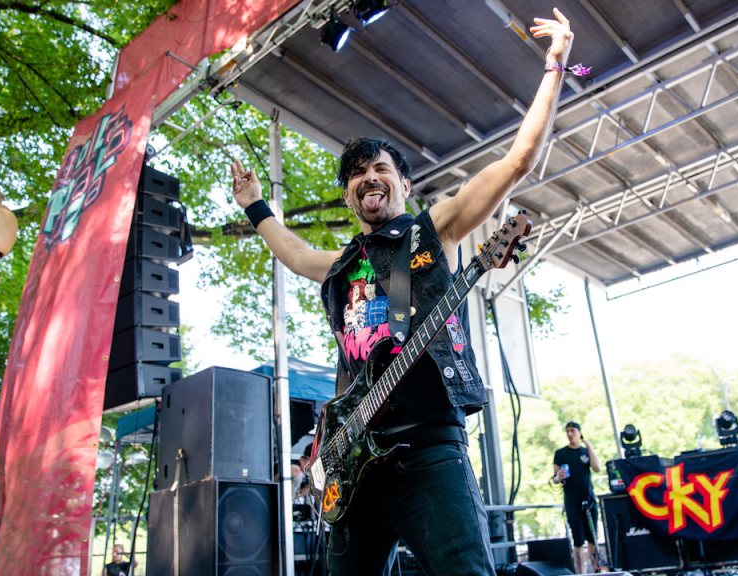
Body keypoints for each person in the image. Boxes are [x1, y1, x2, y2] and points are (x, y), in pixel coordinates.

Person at [228, 9, 576, 575]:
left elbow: (517, 161)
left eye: (380, 168)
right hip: (354, 465)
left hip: (429, 454)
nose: (368, 177)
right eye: (356, 174)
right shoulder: (341, 266)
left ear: (404, 184)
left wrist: (555, 65)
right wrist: (253, 204)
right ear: (348, 196)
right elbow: (291, 252)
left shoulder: (430, 231)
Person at [553, 421, 601, 574]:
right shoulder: (561, 453)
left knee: (592, 538)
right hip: (572, 503)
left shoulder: (585, 452)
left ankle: (596, 569)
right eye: (567, 431)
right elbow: (554, 478)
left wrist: (589, 446)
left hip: (589, 501)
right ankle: (580, 572)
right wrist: (558, 477)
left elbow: (597, 468)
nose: (570, 434)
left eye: (573, 430)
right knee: (578, 540)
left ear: (579, 432)